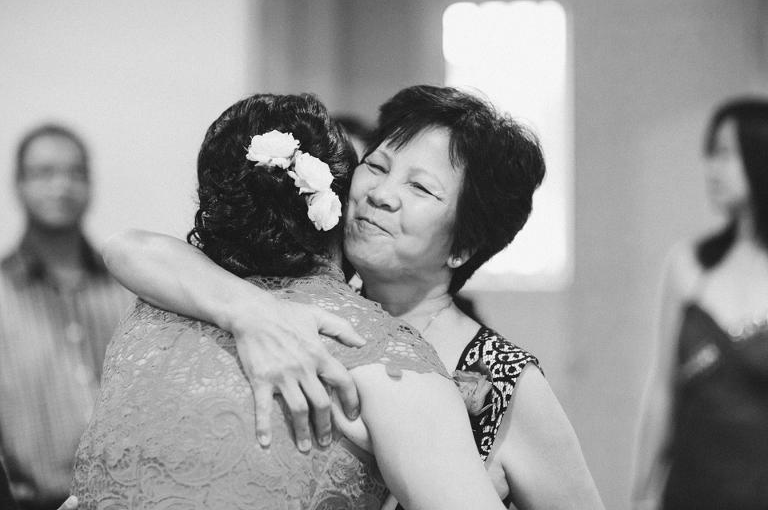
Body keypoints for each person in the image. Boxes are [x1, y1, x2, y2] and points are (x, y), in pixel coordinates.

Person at [103, 85, 604, 509]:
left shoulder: (504, 379)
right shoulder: (295, 308)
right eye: (378, 166)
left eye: (422, 189)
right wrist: (250, 311)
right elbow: (132, 250)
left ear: (465, 247)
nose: (380, 194)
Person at [631, 98, 768, 509]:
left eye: (725, 153)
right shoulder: (687, 264)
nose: (711, 167)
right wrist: (639, 493)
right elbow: (661, 390)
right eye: (711, 153)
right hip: (690, 489)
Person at [0, 124, 134, 510]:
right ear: (19, 184)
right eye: (44, 173)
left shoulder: (128, 288)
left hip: (131, 497)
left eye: (75, 173)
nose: (61, 186)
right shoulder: (3, 295)